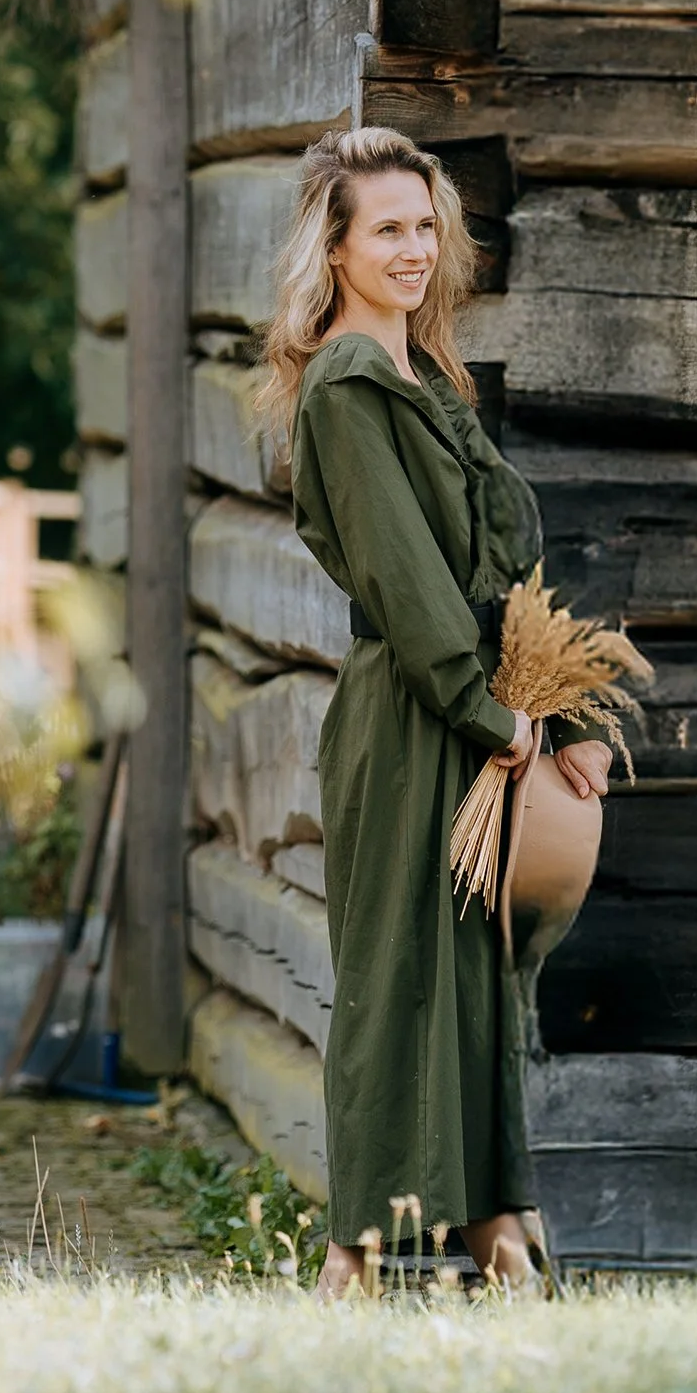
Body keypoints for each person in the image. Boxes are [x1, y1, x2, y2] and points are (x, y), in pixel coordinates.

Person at [256, 130, 612, 1296]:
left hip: (479, 717)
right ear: (338, 247)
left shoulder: (426, 377)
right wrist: (482, 711)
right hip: (413, 723)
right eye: (386, 229)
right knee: (394, 975)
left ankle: (491, 1226)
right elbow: (408, 585)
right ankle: (350, 1252)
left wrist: (549, 723)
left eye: (424, 226)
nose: (412, 249)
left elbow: (495, 575)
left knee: (471, 976)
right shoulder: (347, 387)